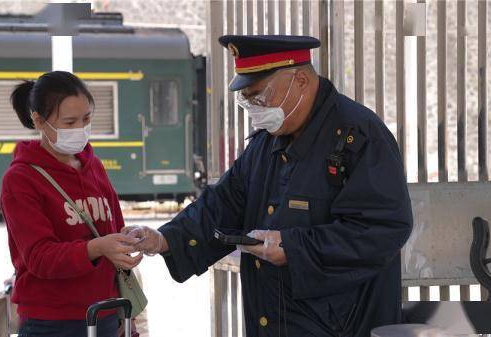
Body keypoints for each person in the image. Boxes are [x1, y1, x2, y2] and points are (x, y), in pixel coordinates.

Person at [123, 35, 413, 337]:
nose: (254, 108)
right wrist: (166, 238)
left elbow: (384, 228)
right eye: (246, 99)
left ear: (300, 79)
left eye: (260, 96)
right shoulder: (268, 139)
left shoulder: (359, 135)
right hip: (274, 320)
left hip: (340, 324)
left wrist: (294, 247)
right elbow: (223, 203)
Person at [2, 71, 143, 337]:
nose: (80, 128)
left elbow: (115, 228)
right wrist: (97, 247)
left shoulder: (95, 166)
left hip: (108, 312)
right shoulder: (20, 178)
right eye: (69, 122)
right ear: (39, 121)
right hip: (52, 322)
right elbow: (39, 258)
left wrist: (129, 241)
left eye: (86, 119)